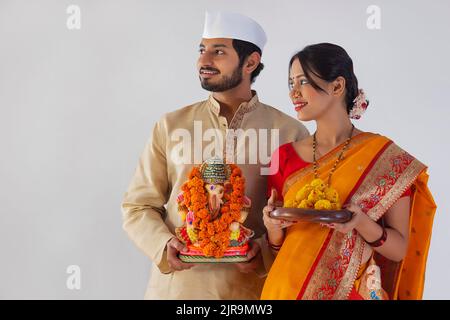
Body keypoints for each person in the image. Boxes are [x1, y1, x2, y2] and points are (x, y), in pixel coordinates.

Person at [121, 11, 309, 299]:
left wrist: (265, 251)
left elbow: (301, 218)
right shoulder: (171, 126)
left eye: (218, 52)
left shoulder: (289, 132)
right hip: (179, 292)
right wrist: (163, 245)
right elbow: (137, 206)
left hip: (255, 293)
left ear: (250, 62)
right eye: (201, 50)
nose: (203, 61)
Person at [261, 43, 436, 300]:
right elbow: (280, 249)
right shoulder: (283, 157)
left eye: (303, 81)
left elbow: (399, 250)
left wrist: (362, 223)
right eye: (290, 84)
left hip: (349, 291)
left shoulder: (383, 157)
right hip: (286, 290)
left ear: (337, 86)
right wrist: (272, 225)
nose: (293, 93)